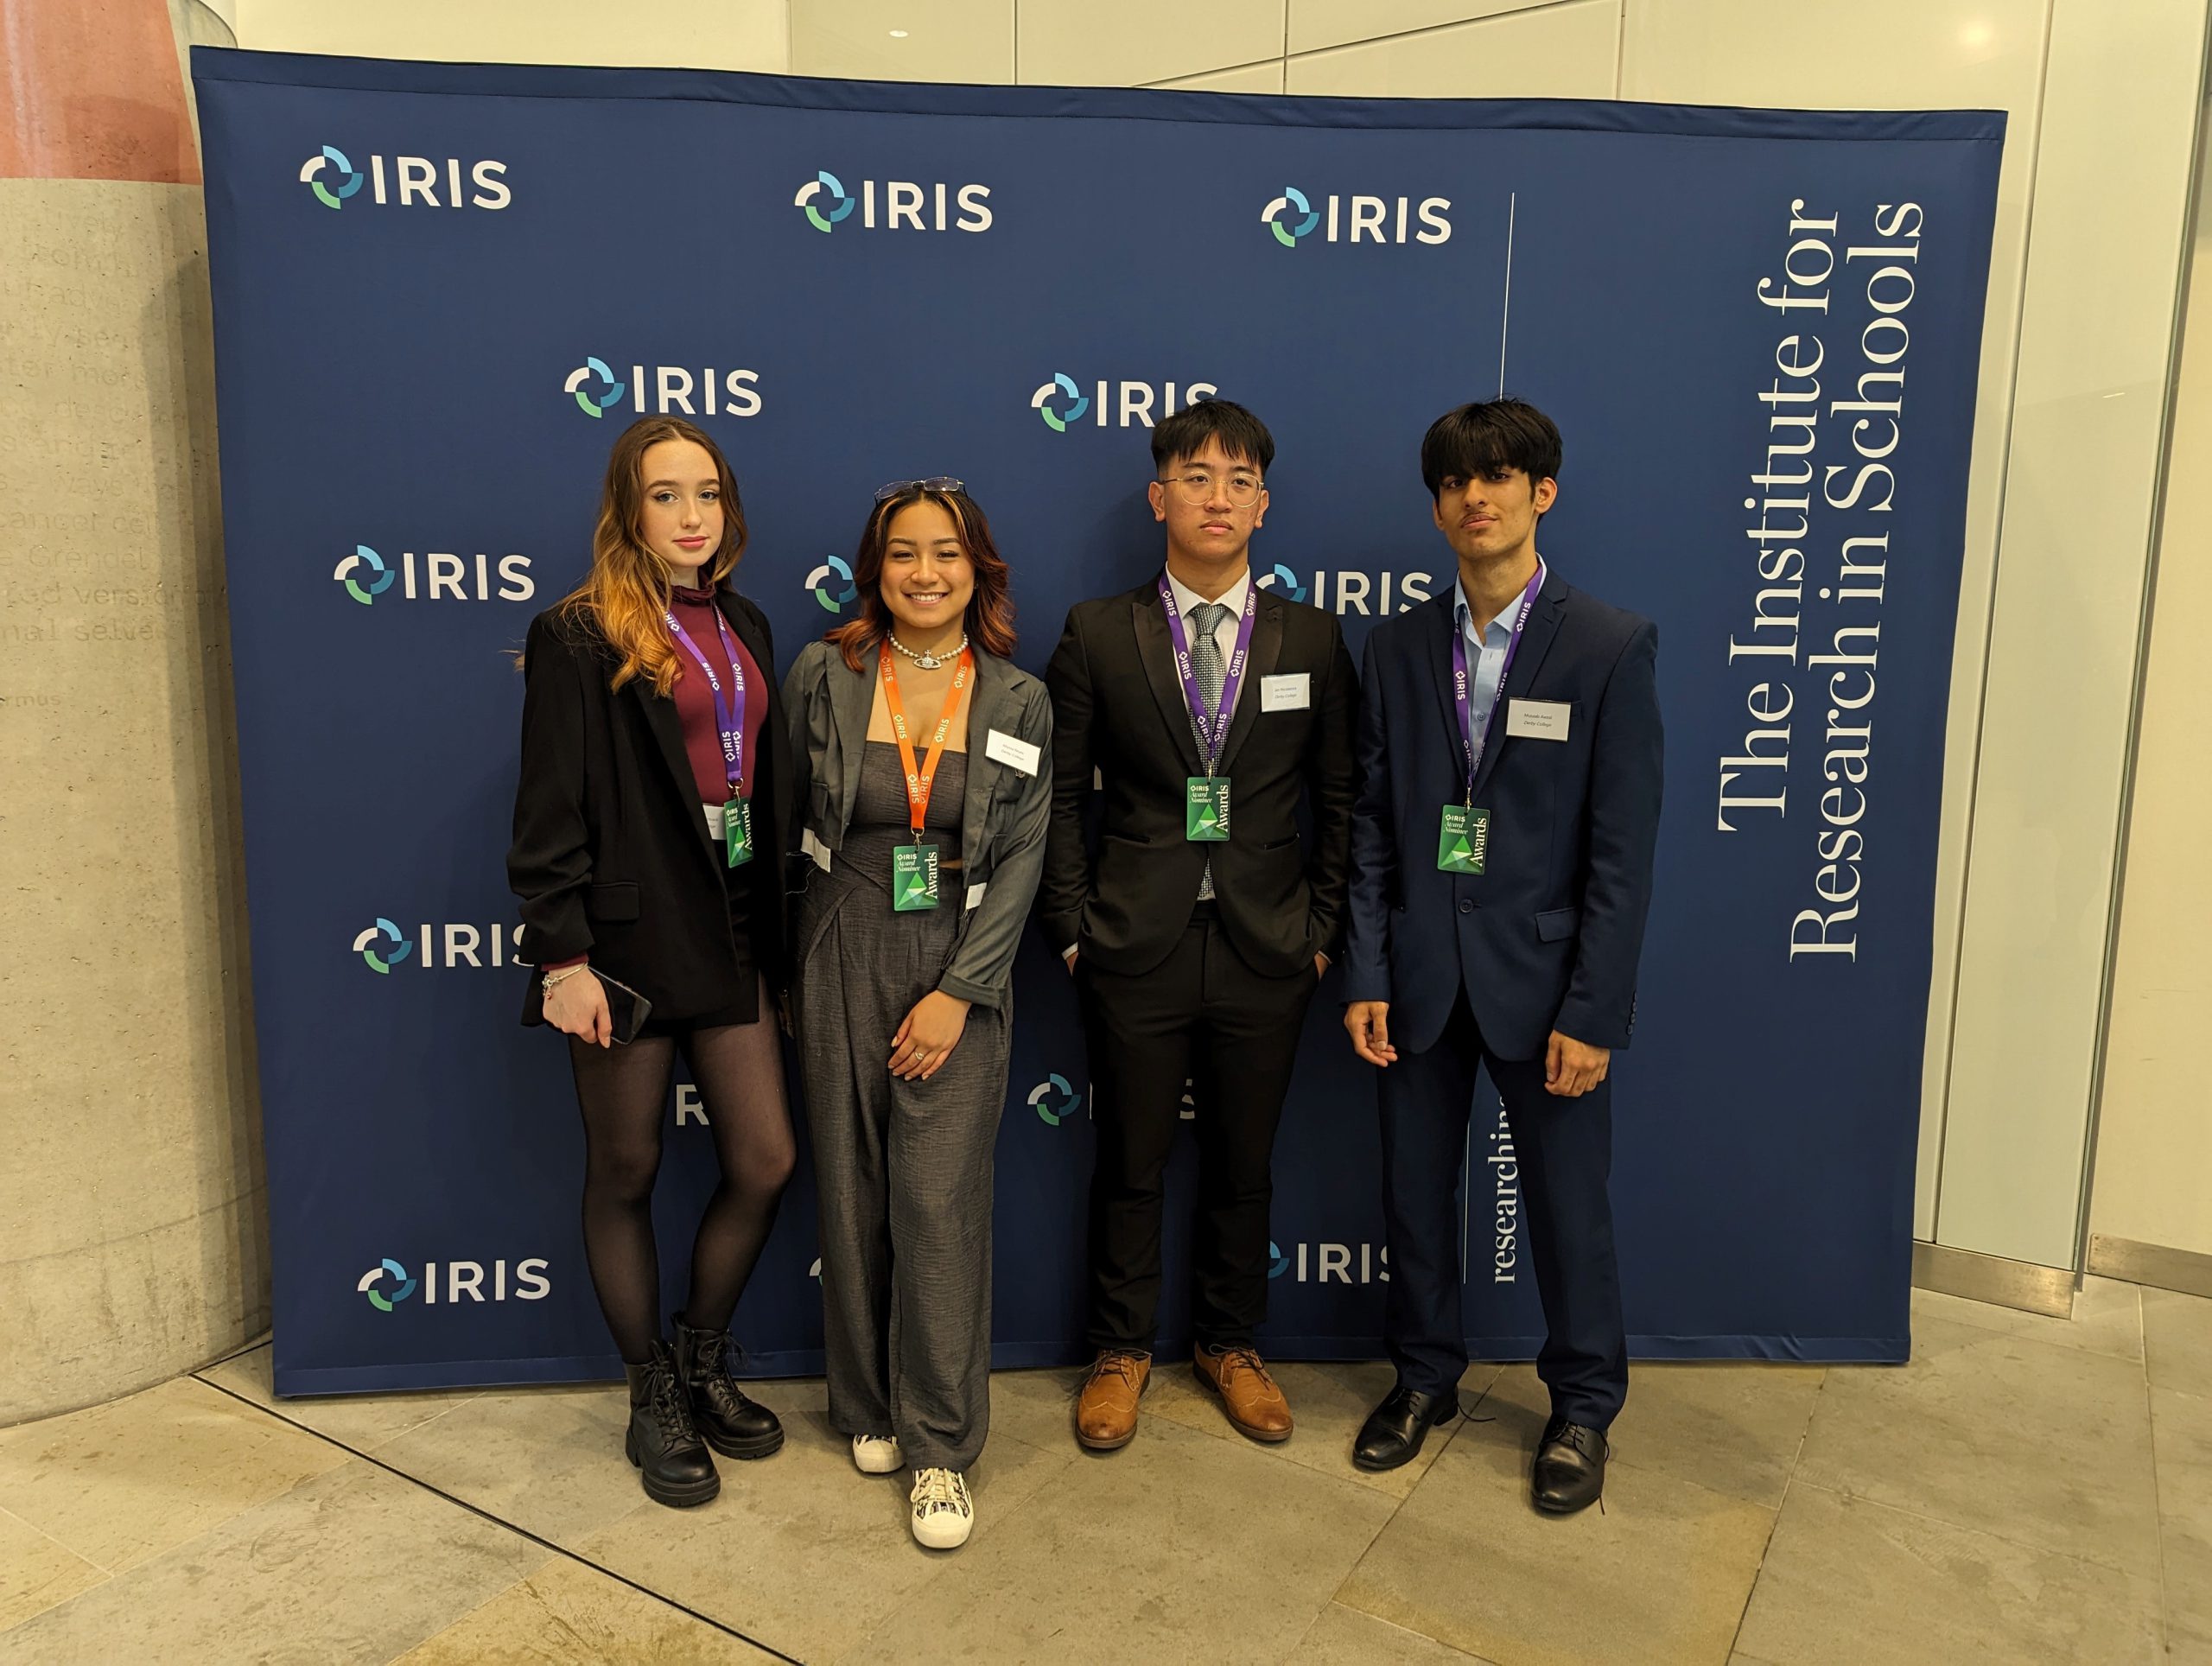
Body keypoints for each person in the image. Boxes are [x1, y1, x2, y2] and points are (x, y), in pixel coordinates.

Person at [1341, 398, 1662, 1514]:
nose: (1475, 497)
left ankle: (1581, 1407)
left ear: (1543, 492)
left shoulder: (1611, 644)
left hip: (1548, 987)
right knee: (1416, 1200)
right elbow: (1374, 829)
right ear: (1436, 507)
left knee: (1570, 1210)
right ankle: (1424, 1380)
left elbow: (1623, 854)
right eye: (1454, 482)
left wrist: (1597, 1010)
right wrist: (1369, 972)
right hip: (1422, 980)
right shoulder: (1393, 648)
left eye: (1500, 476)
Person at [1041, 399, 1357, 1453]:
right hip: (1133, 940)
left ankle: (1230, 1342)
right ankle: (1121, 1347)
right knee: (1129, 1158)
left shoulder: (1312, 636)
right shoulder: (1097, 630)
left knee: (1242, 1160)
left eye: (1236, 479)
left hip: (1269, 943)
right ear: (1158, 495)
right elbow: (1056, 797)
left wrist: (1318, 927)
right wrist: (1078, 926)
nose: (1215, 496)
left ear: (1262, 503)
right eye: (1195, 476)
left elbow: (1340, 795)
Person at [508, 416, 798, 1510]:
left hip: (729, 928)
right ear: (628, 508)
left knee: (764, 1158)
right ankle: (651, 1395)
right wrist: (562, 956)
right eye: (666, 494)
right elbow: (547, 814)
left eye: (708, 493)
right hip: (622, 948)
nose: (690, 515)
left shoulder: (748, 622)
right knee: (623, 1171)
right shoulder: (577, 631)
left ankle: (701, 1353)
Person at [785, 479, 1052, 1551]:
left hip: (958, 950)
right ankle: (866, 1404)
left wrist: (959, 990)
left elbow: (1026, 855)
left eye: (946, 553)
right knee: (850, 1191)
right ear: (876, 566)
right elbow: (775, 825)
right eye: (904, 554)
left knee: (936, 1205)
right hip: (840, 936)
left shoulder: (1017, 698)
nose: (925, 573)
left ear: (977, 567)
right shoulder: (824, 670)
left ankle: (940, 1445)